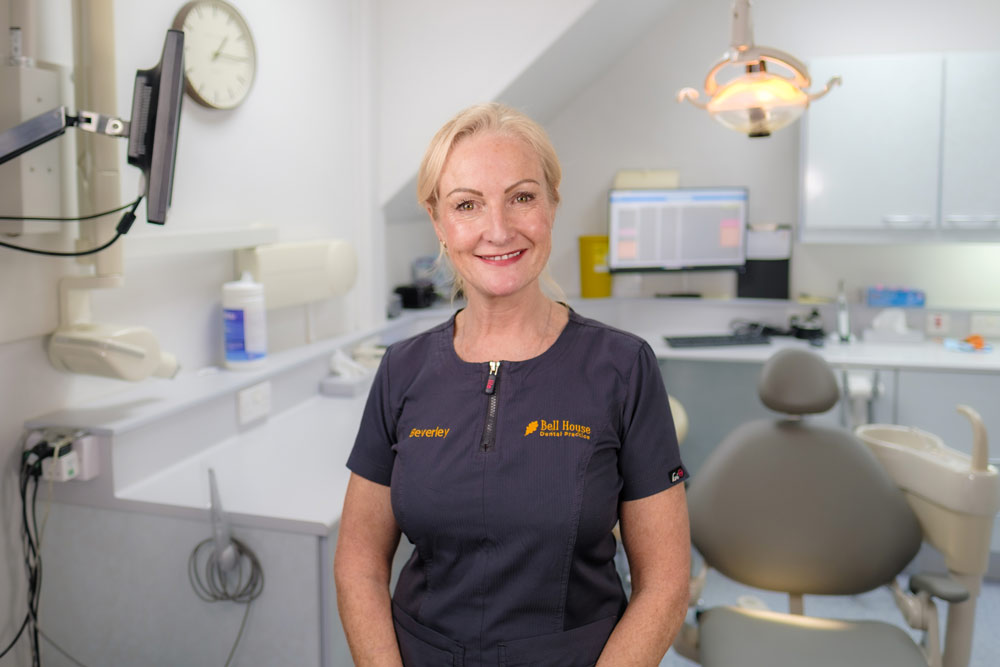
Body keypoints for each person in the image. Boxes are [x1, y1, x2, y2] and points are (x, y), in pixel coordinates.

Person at [335, 102, 690, 666]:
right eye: (467, 205)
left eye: (522, 197)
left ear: (551, 203)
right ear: (439, 222)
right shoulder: (402, 370)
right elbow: (358, 561)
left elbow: (667, 582)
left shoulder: (622, 367)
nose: (497, 230)